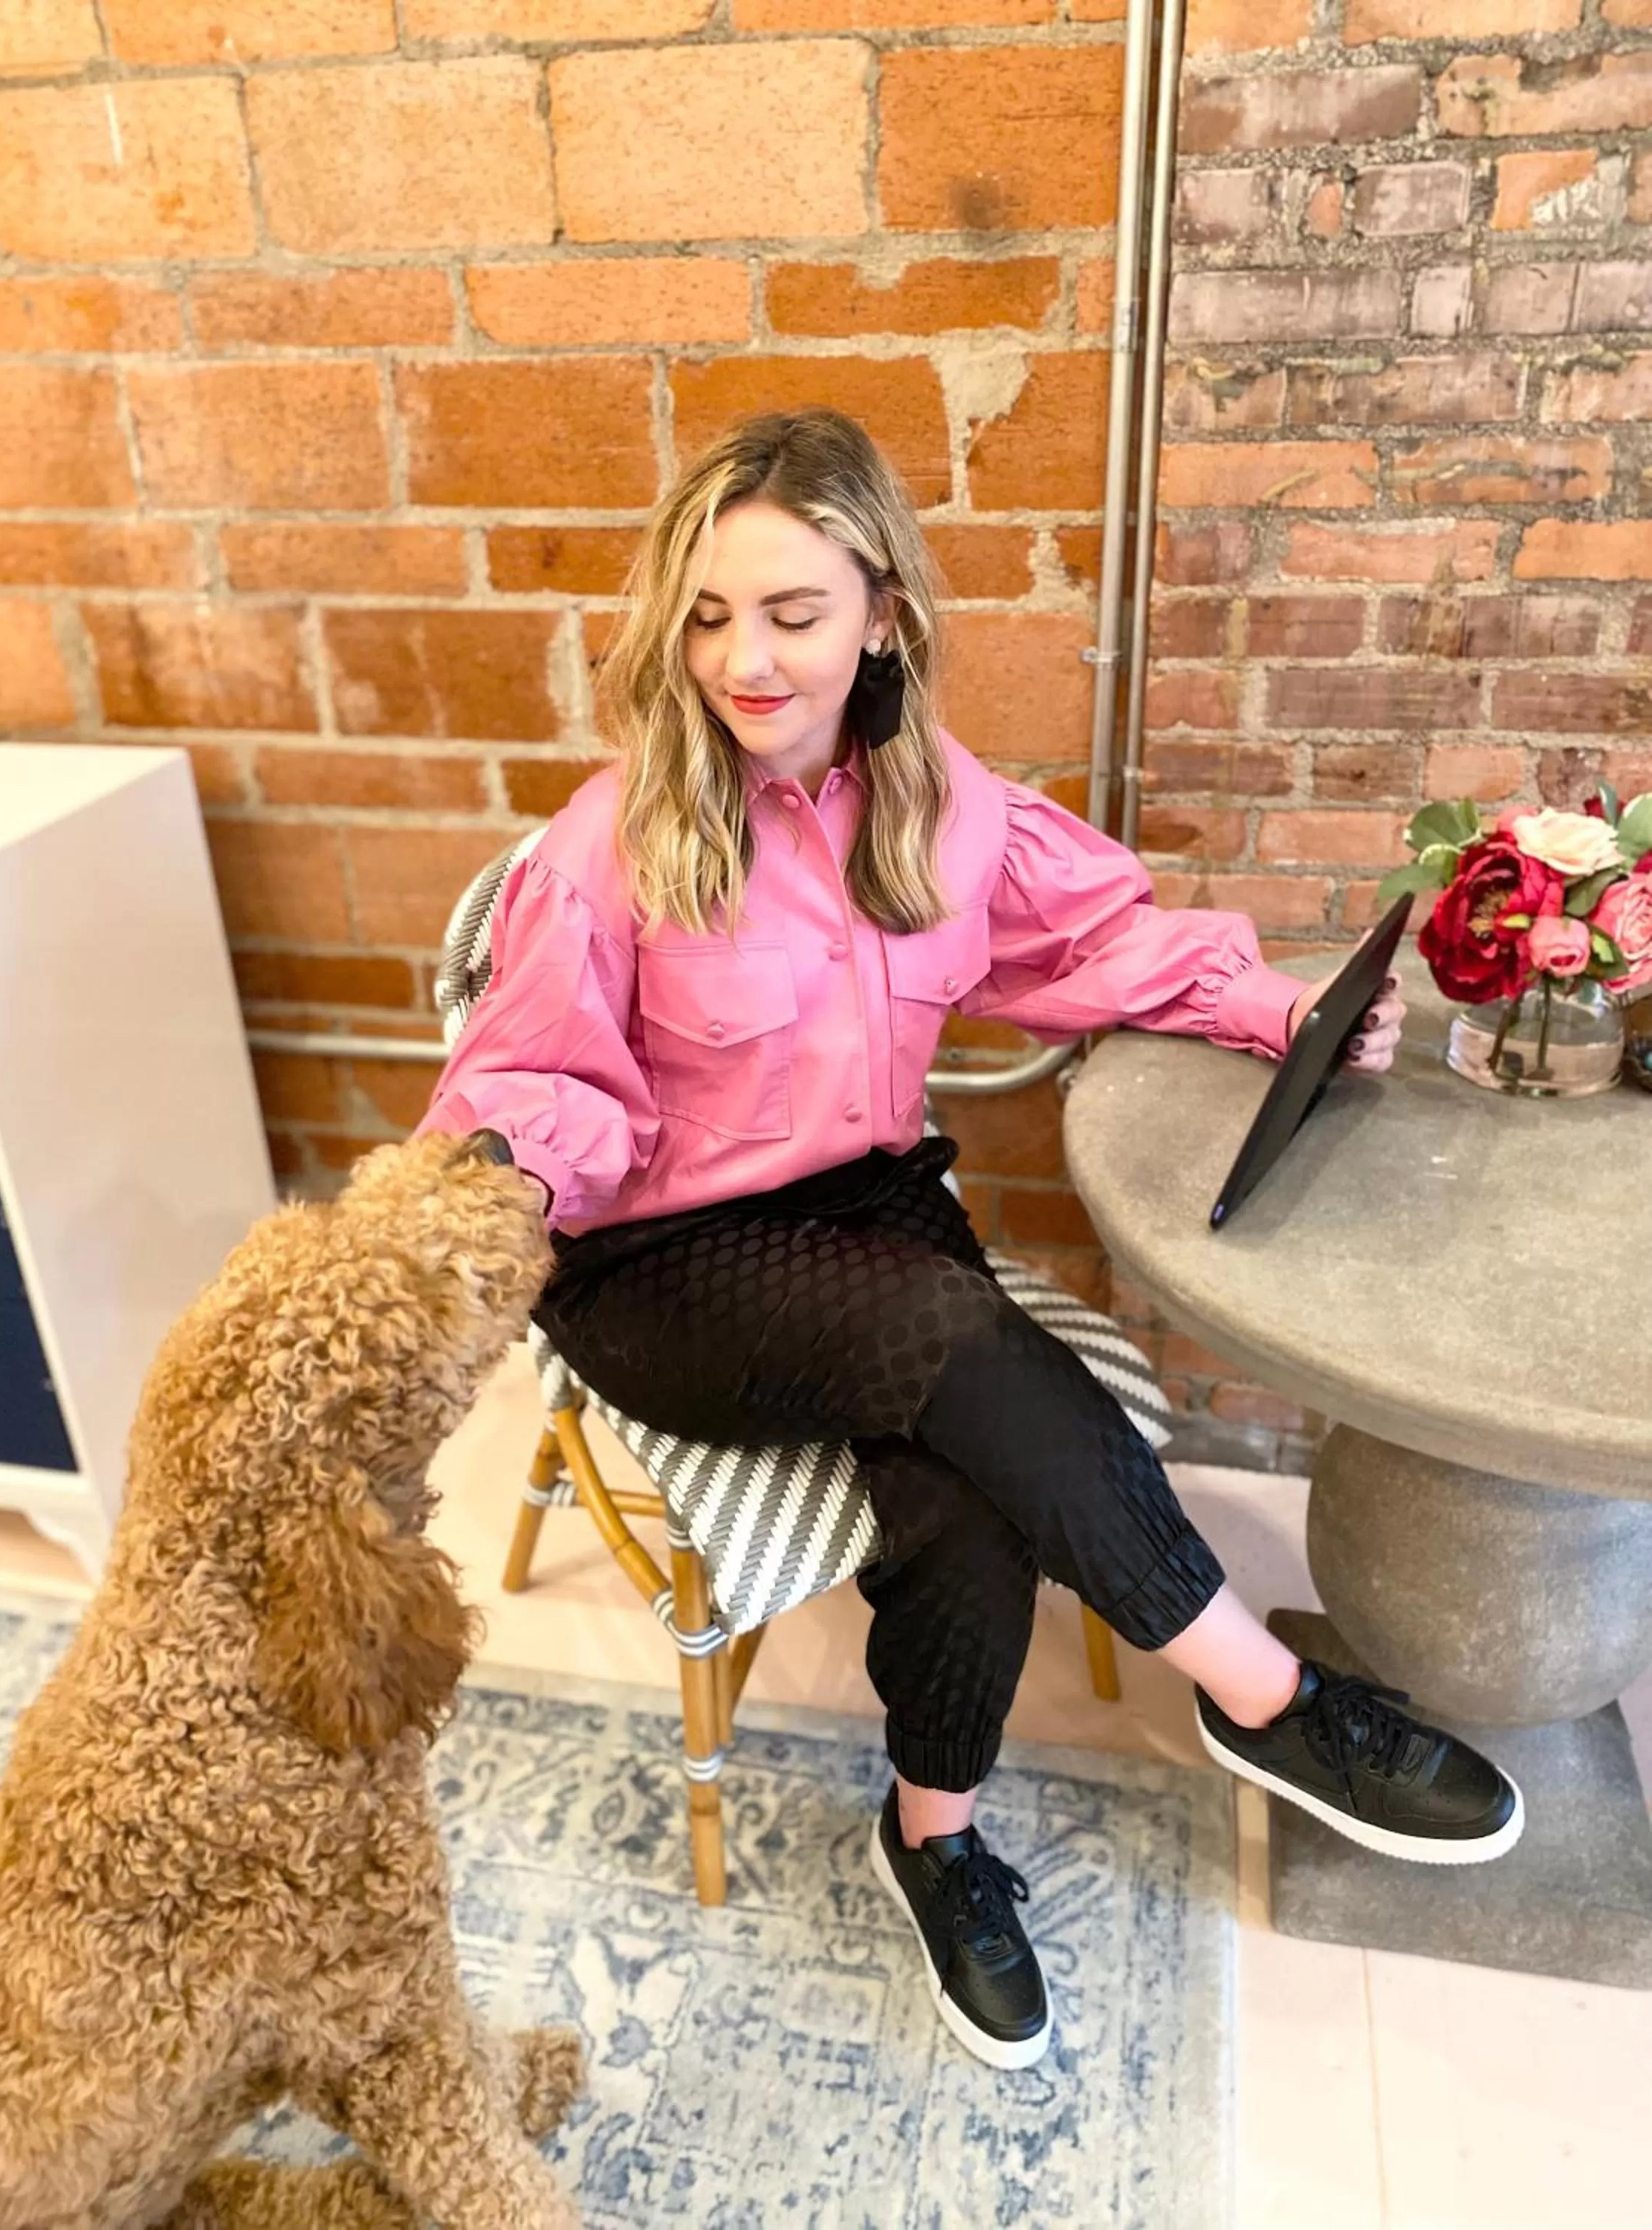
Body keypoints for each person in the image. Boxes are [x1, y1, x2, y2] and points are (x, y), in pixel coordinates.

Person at [415, 407, 1522, 2073]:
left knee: (964, 1496)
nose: (745, 662)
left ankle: (932, 1839)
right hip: (660, 1262)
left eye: (793, 613)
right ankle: (1270, 1703)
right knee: (949, 1339)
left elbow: (1097, 945)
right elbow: (534, 1082)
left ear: (882, 613)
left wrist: (1277, 1011)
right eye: (709, 618)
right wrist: (499, 1181)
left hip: (861, 1215)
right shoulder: (617, 836)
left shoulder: (940, 809)